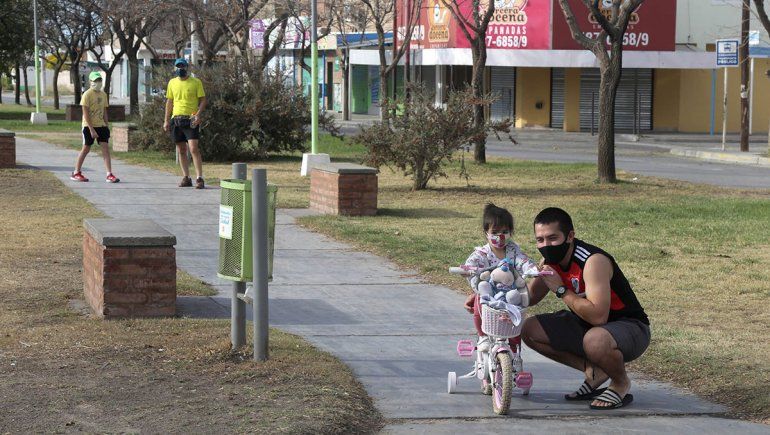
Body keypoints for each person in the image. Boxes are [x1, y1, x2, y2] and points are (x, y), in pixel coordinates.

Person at [522, 207, 650, 410]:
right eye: (540, 240)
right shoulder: (549, 261)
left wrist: (561, 290)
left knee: (595, 340)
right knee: (530, 329)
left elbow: (599, 317)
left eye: (553, 238)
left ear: (570, 236)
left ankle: (620, 383)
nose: (546, 246)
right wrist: (487, 293)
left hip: (630, 327)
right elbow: (528, 298)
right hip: (589, 325)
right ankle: (595, 370)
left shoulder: (592, 261)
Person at [463, 203, 539, 352]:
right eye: (495, 232)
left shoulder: (513, 251)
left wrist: (531, 269)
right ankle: (483, 335)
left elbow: (523, 261)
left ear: (511, 232)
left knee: (516, 316)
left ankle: (515, 354)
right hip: (490, 293)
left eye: (505, 231)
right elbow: (471, 263)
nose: (500, 236)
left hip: (510, 293)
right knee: (480, 301)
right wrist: (468, 270)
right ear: (486, 232)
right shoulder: (482, 253)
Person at [163, 58, 207, 189]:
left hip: (191, 119)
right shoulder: (172, 83)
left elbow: (203, 100)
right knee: (181, 149)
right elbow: (169, 102)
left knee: (193, 148)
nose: (180, 69)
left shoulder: (195, 82)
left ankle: (199, 178)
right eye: (178, 67)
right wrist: (166, 120)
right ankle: (186, 177)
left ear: (186, 67)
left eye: (182, 66)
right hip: (176, 119)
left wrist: (198, 114)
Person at [70, 71, 119, 183]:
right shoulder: (87, 94)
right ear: (91, 82)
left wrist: (107, 125)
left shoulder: (103, 95)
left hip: (101, 125)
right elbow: (85, 113)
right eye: (95, 80)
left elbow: (104, 111)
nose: (98, 82)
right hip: (89, 126)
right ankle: (76, 172)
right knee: (86, 148)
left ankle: (109, 174)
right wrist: (91, 129)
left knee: (105, 149)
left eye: (99, 80)